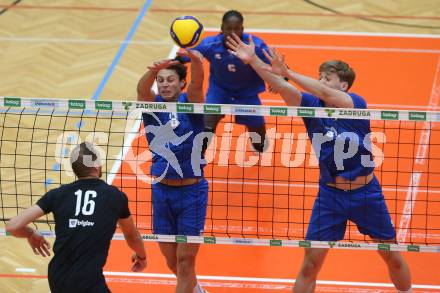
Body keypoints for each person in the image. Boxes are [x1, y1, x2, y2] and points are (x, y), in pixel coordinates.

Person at [226, 34, 413, 293]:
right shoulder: (310, 106)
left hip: (366, 195)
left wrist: (288, 72)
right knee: (310, 265)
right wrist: (253, 60)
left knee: (391, 255)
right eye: (320, 76)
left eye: (327, 78)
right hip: (330, 196)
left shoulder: (355, 104)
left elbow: (316, 89)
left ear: (344, 85)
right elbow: (279, 84)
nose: (322, 82)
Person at [6, 142, 147, 293]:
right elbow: (133, 237)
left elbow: (12, 227)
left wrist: (30, 233)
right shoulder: (115, 196)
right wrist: (142, 257)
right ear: (96, 165)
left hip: (58, 277)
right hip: (88, 280)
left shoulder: (57, 194)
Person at [137, 50, 208, 293]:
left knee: (185, 262)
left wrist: (197, 61)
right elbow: (141, 90)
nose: (165, 85)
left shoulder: (191, 103)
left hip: (192, 193)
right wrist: (153, 70)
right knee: (171, 261)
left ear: (181, 84)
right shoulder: (153, 106)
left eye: (170, 80)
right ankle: (196, 290)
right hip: (162, 192)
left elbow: (198, 85)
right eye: (161, 80)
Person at [189, 9, 270, 154]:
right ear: (221, 29)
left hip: (247, 94)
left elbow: (274, 64)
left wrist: (282, 79)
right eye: (229, 28)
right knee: (205, 128)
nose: (233, 32)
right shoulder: (210, 44)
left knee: (260, 145)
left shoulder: (255, 45)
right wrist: (175, 61)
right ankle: (197, 159)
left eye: (237, 28)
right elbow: (189, 55)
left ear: (242, 29)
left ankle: (258, 143)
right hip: (219, 92)